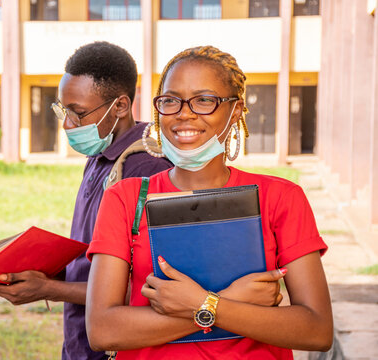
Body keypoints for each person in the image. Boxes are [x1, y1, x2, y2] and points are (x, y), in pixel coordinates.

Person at [85, 45, 333, 359]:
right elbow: (103, 330)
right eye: (171, 100)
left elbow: (317, 330)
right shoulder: (125, 198)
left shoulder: (281, 197)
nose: (183, 113)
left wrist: (202, 303)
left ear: (236, 110)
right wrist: (221, 303)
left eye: (204, 100)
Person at [0, 41, 172, 360]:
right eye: (63, 110)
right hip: (80, 343)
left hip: (114, 348)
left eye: (78, 113)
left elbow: (142, 287)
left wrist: (48, 289)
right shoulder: (99, 156)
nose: (67, 124)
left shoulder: (146, 169)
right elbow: (93, 258)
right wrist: (37, 270)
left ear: (121, 106)